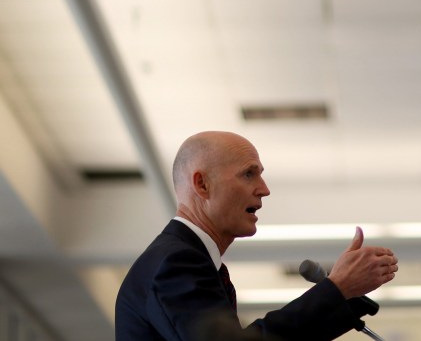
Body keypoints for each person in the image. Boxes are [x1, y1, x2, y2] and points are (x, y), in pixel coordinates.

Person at [116, 130, 398, 341]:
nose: (264, 189)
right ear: (202, 185)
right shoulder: (177, 262)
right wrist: (337, 289)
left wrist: (340, 292)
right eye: (249, 174)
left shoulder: (186, 260)